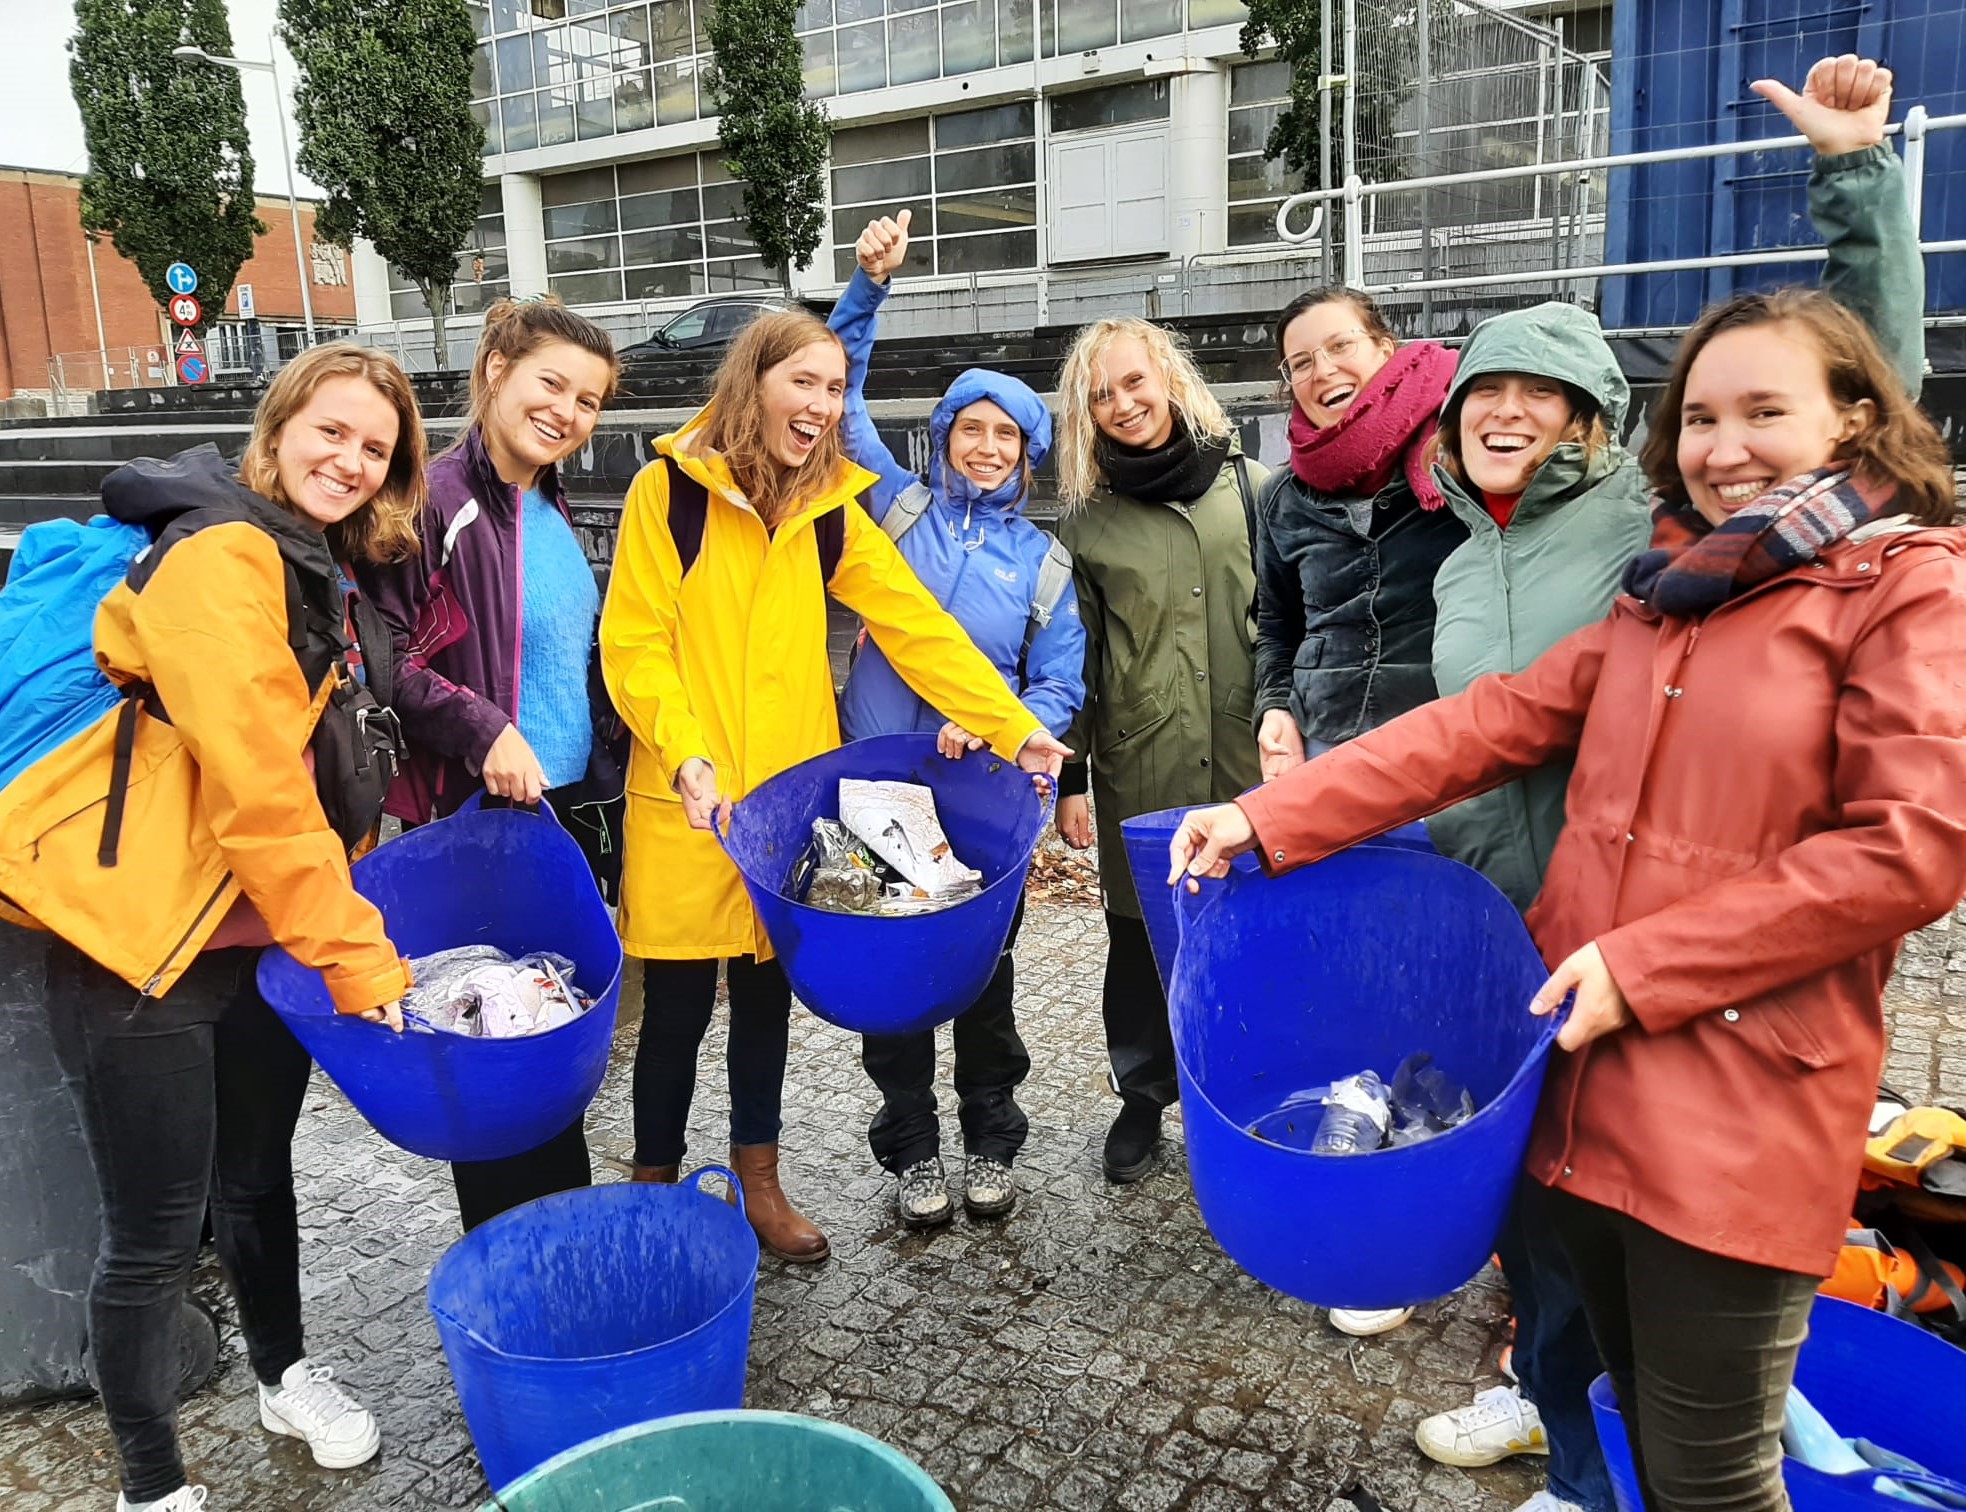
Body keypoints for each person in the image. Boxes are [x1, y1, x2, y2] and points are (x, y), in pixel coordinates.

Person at [1169, 282, 1966, 1512]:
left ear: (1855, 421)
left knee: (1708, 1477)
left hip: (1736, 1107)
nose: (1723, 446)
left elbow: (1912, 844)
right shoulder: (1666, 600)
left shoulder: (1901, 587)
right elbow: (1482, 725)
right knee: (1609, 1404)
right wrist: (1266, 819)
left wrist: (1646, 968)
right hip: (1579, 1080)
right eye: (1700, 417)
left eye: (1764, 411)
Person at [1405, 56, 1926, 1512]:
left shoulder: (1672, 551)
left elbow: (1853, 378)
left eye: (1535, 390)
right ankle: (1558, 1433)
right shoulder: (1484, 567)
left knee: (1688, 1406)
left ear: (1582, 421)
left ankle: (1583, 1470)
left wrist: (1856, 179)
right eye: (1477, 392)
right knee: (1554, 1278)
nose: (1501, 409)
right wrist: (1290, 810)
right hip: (1520, 954)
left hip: (1684, 990)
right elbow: (1465, 725)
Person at [0, 344, 424, 1512]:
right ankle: (153, 1487)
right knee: (149, 1235)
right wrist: (355, 954)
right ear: (278, 427)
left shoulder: (308, 566)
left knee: (256, 1179)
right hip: (135, 952)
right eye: (330, 432)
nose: (348, 460)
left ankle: (284, 1373)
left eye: (373, 449)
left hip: (253, 946)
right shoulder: (222, 555)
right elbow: (258, 786)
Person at [600, 308, 1070, 1263]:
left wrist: (1018, 728)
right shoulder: (669, 493)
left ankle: (761, 1182)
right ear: (754, 384)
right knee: (679, 1011)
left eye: (830, 387)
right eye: (801, 382)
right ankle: (651, 1190)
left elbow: (918, 629)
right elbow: (635, 642)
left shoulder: (829, 513)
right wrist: (686, 750)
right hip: (687, 792)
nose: (818, 404)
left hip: (788, 798)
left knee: (767, 1002)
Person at [829, 210, 1087, 1228]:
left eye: (1006, 435)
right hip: (879, 784)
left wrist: (1003, 726)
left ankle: (991, 1140)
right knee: (889, 972)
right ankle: (910, 1149)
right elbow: (837, 395)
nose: (986, 447)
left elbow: (1060, 688)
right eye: (970, 428)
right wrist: (866, 290)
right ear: (941, 438)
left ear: (1027, 455)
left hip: (985, 799)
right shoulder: (891, 508)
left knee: (983, 974)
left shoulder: (1046, 565)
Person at [361, 295, 622, 1233]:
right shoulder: (435, 501)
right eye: (551, 382)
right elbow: (384, 659)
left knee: (553, 1025)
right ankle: (515, 1251)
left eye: (589, 399)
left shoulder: (546, 503)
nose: (567, 410)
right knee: (493, 1036)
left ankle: (567, 1233)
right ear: (495, 371)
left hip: (559, 811)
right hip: (478, 813)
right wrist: (483, 731)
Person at [1051, 317, 1265, 1185]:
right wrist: (1069, 774)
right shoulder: (1088, 524)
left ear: (1169, 377)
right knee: (1138, 942)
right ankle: (1143, 1097)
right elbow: (1079, 661)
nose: (1122, 403)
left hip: (1249, 755)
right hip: (1139, 764)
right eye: (1101, 395)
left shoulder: (1256, 488)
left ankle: (1251, 1097)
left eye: (1133, 382)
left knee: (1252, 935)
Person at [1253, 287, 1465, 778]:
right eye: (1300, 363)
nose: (1322, 370)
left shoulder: (1456, 456)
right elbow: (1277, 626)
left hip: (1441, 738)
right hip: (1322, 739)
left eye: (1340, 346)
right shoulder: (1280, 496)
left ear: (1384, 349)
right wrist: (1275, 708)